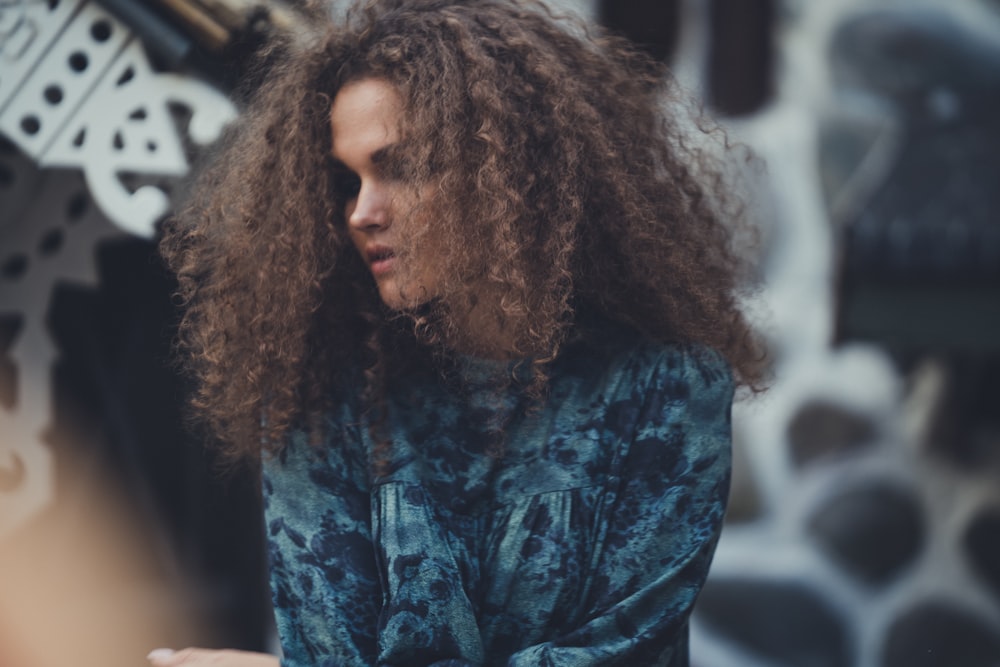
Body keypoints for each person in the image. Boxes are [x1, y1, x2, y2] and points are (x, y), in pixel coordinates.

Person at [149, 0, 764, 665]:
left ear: (507, 170)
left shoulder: (667, 389)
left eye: (400, 166)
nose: (361, 211)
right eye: (345, 179)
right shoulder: (324, 395)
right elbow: (329, 651)